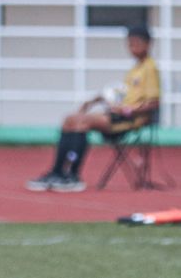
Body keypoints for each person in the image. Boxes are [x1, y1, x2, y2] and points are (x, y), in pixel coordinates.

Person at [26, 26, 160, 193]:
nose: (132, 48)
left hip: (130, 120)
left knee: (81, 121)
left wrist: (127, 111)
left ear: (147, 44)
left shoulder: (150, 68)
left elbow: (154, 103)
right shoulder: (135, 69)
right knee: (70, 119)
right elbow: (123, 94)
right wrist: (95, 100)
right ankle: (58, 171)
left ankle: (72, 175)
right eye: (130, 44)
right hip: (117, 113)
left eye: (136, 44)